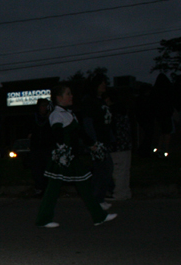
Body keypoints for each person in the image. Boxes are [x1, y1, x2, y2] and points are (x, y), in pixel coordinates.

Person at [35, 85, 117, 228]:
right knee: (53, 190)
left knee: (83, 186)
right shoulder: (57, 114)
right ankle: (43, 219)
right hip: (63, 160)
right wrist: (61, 148)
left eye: (71, 93)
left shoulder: (69, 114)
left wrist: (93, 145)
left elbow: (80, 133)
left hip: (71, 158)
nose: (71, 96)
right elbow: (57, 132)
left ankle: (99, 216)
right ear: (59, 98)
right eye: (68, 94)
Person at [79, 74, 114, 207]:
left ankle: (97, 199)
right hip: (97, 142)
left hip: (104, 141)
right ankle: (96, 200)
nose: (104, 85)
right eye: (101, 83)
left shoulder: (101, 101)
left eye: (105, 82)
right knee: (103, 169)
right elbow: (88, 123)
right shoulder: (89, 101)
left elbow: (106, 121)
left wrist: (111, 138)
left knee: (104, 170)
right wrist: (93, 142)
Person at [28, 98, 53, 195]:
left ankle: (47, 188)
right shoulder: (33, 117)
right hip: (36, 147)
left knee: (47, 168)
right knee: (36, 169)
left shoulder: (50, 117)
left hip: (47, 147)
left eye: (45, 106)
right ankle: (39, 187)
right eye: (42, 106)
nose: (44, 108)